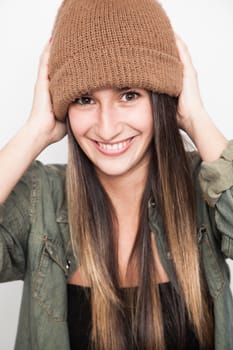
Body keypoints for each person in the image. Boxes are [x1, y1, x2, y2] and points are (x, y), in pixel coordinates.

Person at [0, 0, 232, 349]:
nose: (107, 128)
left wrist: (196, 117)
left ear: (161, 99)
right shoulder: (40, 200)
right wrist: (34, 131)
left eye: (128, 95)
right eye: (84, 99)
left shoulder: (205, 187)